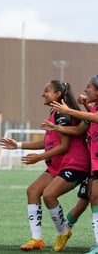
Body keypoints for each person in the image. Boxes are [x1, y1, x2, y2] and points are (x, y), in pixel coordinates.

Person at [0, 80, 90, 252]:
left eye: (47, 90)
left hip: (75, 164)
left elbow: (63, 146)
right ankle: (36, 239)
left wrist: (39, 158)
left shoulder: (63, 115)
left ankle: (63, 232)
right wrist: (18, 145)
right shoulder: (54, 112)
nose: (43, 93)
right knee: (33, 191)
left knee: (49, 195)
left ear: (58, 94)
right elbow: (49, 142)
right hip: (60, 164)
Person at [47, 75, 98, 254]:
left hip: (91, 163)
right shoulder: (91, 111)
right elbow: (80, 129)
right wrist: (57, 128)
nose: (85, 90)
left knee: (92, 200)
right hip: (93, 164)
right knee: (86, 201)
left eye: (89, 87)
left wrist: (69, 112)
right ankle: (65, 232)